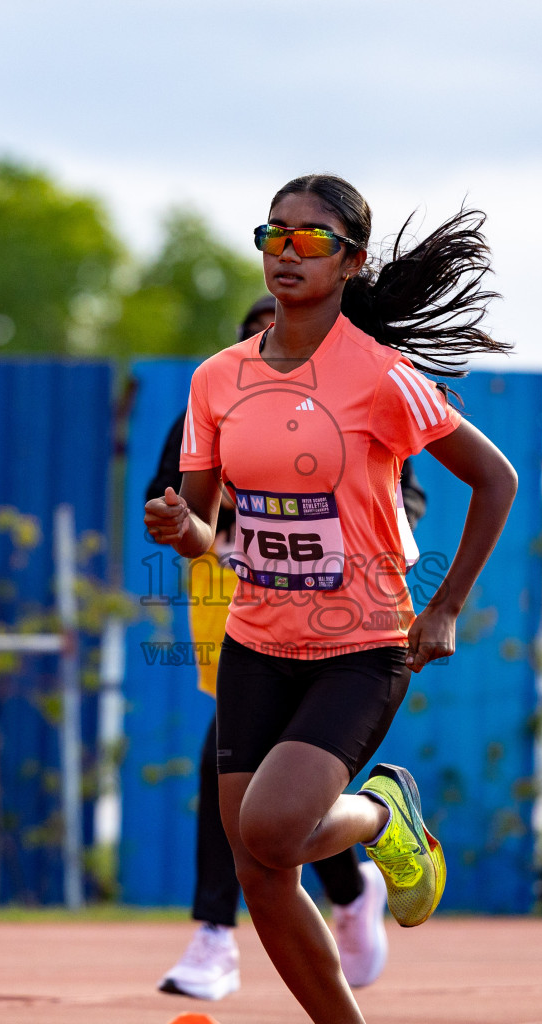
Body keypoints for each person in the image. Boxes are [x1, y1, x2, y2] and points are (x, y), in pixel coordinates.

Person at [144, 173, 516, 1024]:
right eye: (274, 233)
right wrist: (181, 528)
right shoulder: (215, 381)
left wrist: (447, 607)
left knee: (273, 832)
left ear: (350, 261)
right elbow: (206, 532)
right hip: (256, 642)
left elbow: (495, 480)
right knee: (259, 867)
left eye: (312, 237)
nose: (288, 251)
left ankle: (382, 810)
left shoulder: (381, 377)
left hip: (363, 643)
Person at [151, 296, 427, 999]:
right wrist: (183, 520)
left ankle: (366, 837)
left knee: (267, 813)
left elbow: (407, 495)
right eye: (257, 342)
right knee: (250, 806)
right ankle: (220, 933)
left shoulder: (362, 390)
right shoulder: (214, 393)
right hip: (241, 611)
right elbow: (183, 506)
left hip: (348, 623)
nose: (271, 354)